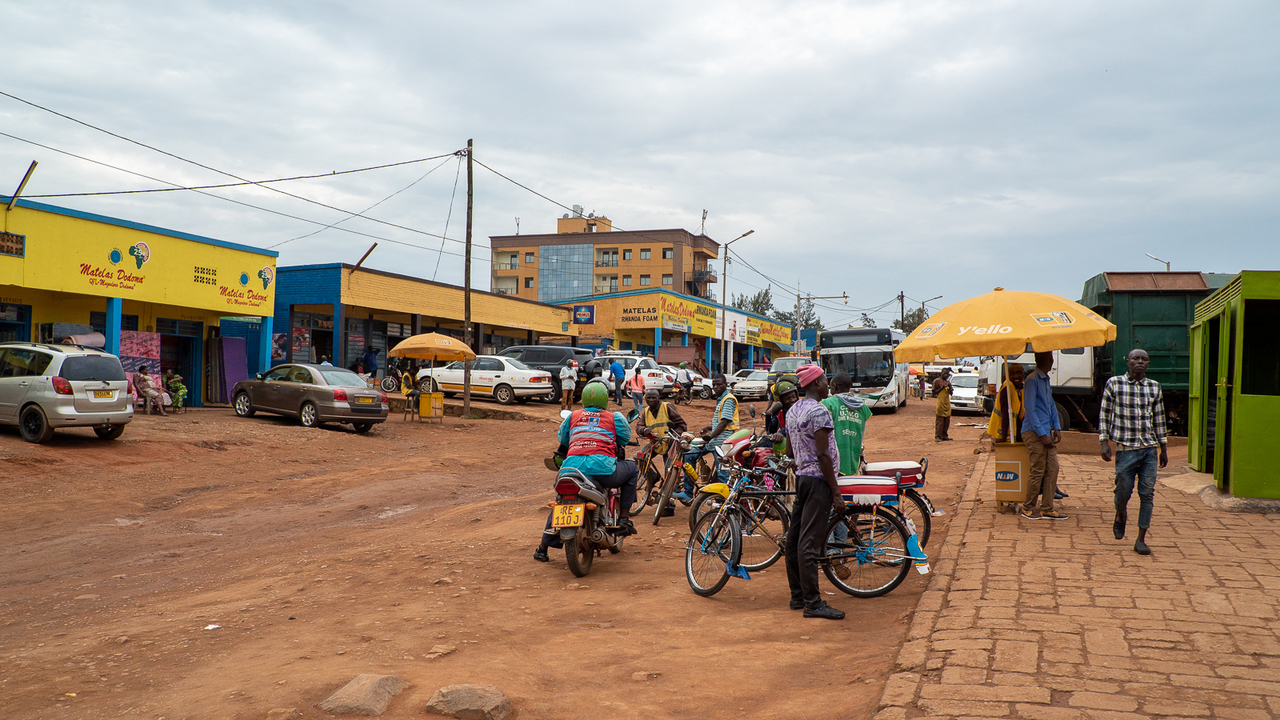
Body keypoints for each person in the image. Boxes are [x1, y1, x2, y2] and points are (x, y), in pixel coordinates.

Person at [534, 383, 638, 562]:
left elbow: (563, 439)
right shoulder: (614, 418)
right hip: (603, 471)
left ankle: (542, 548)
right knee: (633, 468)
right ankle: (624, 518)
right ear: (605, 399)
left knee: (563, 502)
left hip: (570, 470)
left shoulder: (573, 416)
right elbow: (624, 438)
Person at [784, 364, 845, 620]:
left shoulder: (793, 410)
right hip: (819, 480)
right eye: (823, 380)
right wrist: (836, 491)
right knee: (809, 543)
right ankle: (813, 604)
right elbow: (822, 455)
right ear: (815, 384)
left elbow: (789, 452)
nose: (827, 383)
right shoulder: (820, 412)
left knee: (795, 538)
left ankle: (798, 596)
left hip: (802, 479)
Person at [1099, 348, 1168, 555]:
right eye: (1135, 358)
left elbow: (1159, 419)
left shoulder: (1155, 387)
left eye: (1144, 359)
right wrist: (1104, 441)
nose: (1140, 362)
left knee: (1147, 493)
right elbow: (1105, 413)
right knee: (1123, 492)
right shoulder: (1114, 383)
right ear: (1127, 362)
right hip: (1126, 449)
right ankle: (1120, 514)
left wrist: (1163, 448)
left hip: (1149, 450)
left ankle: (1140, 539)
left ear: (1148, 364)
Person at [1021, 352, 1065, 520]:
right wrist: (1042, 434)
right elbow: (1030, 411)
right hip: (1033, 432)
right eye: (1051, 358)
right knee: (1038, 469)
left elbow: (1051, 405)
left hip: (1044, 432)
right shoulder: (1032, 380)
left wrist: (1057, 427)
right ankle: (1028, 507)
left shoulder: (1045, 380)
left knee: (1052, 468)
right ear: (1048, 360)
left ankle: (1047, 507)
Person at [636, 388, 688, 517]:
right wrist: (645, 430)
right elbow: (638, 426)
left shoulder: (667, 407)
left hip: (670, 443)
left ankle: (669, 506)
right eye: (648, 398)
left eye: (654, 398)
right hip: (655, 443)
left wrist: (674, 437)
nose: (651, 400)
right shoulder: (646, 411)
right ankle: (652, 476)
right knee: (639, 458)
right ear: (645, 399)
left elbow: (682, 425)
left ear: (659, 398)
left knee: (670, 472)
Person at [821, 372, 873, 475]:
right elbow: (861, 434)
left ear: (835, 386)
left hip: (833, 458)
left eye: (830, 386)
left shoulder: (828, 404)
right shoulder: (862, 407)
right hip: (854, 455)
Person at [987, 363, 1025, 443]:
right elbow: (1005, 412)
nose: (1016, 376)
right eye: (1011, 374)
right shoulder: (1007, 387)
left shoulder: (1023, 387)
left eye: (1018, 373)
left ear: (1023, 373)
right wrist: (1003, 437)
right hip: (1003, 430)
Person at [932, 368, 953, 442]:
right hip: (940, 403)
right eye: (944, 374)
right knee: (940, 421)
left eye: (947, 374)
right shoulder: (936, 381)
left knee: (946, 421)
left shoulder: (948, 382)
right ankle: (938, 436)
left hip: (946, 403)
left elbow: (951, 393)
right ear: (941, 373)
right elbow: (934, 392)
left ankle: (944, 435)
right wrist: (942, 388)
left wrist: (950, 388)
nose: (946, 375)